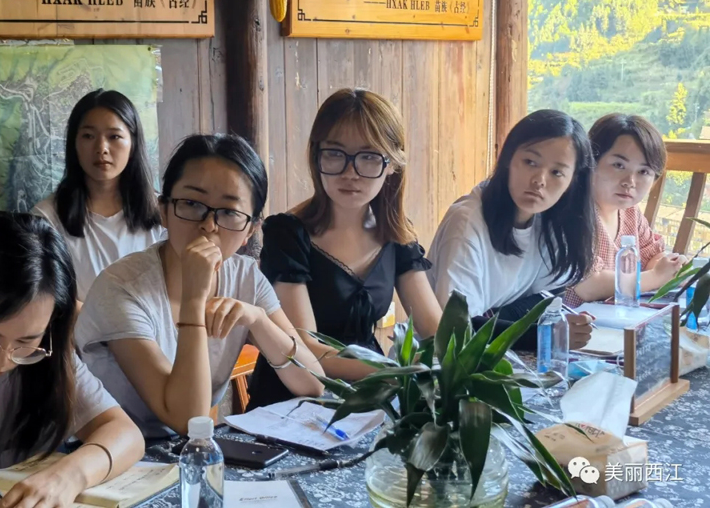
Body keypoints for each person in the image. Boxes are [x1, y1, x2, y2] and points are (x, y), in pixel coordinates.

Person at [75, 134, 324, 438]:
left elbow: (313, 383)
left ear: (250, 230)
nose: (208, 225)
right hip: (108, 452)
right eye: (192, 204)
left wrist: (258, 320)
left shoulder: (246, 278)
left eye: (229, 212)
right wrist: (195, 298)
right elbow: (186, 420)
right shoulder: (121, 288)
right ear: (163, 210)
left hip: (185, 451)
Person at [0, 212, 144, 508]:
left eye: (25, 341)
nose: (2, 361)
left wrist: (68, 476)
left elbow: (125, 433)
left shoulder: (42, 354)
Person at [246, 88, 443, 410]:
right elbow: (307, 347)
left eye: (369, 156)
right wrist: (398, 370)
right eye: (335, 154)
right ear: (317, 156)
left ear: (392, 164)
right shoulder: (287, 234)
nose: (350, 173)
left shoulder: (396, 234)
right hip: (294, 398)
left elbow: (437, 332)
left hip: (372, 396)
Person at [427, 109, 595, 350]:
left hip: (502, 353)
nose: (539, 180)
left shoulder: (552, 219)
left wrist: (504, 318)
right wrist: (543, 335)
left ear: (573, 181)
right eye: (530, 162)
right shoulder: (467, 222)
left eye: (556, 172)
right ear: (507, 159)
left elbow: (548, 296)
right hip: (442, 362)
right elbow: (455, 326)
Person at [33, 89, 164, 303]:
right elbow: (47, 298)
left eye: (114, 136)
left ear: (133, 143)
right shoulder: (46, 219)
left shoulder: (164, 213)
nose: (101, 148)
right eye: (88, 136)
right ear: (74, 144)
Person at [564, 114, 687, 307]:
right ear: (591, 163)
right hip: (573, 321)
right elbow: (588, 285)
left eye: (643, 171)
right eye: (618, 165)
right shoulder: (574, 211)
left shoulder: (630, 212)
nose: (630, 182)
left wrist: (671, 267)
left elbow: (650, 255)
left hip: (618, 318)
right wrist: (656, 277)